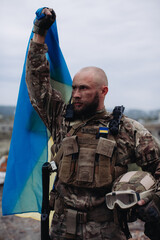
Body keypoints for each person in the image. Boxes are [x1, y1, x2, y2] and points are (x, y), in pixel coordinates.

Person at [26, 7, 160, 240]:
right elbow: (37, 84)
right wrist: (39, 33)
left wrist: (151, 199)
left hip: (107, 233)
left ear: (103, 91)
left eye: (83, 88)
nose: (75, 94)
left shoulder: (128, 130)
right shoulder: (61, 120)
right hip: (61, 230)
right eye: (75, 88)